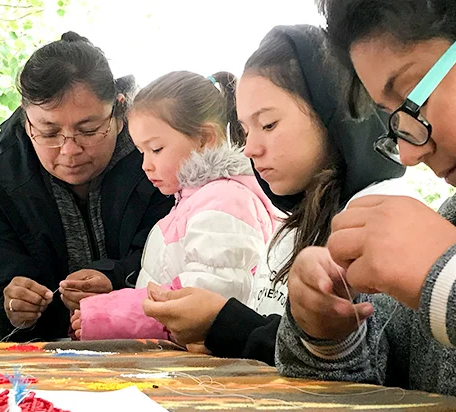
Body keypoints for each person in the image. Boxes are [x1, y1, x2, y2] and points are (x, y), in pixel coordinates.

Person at [276, 0, 456, 403]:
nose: (410, 154)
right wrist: (331, 334)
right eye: (394, 119)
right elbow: (377, 387)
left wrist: (451, 273)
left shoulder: (451, 252)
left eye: (415, 100)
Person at [140, 25, 408, 364]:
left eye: (268, 125)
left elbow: (361, 369)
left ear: (334, 114)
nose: (250, 148)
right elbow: (277, 335)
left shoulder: (378, 219)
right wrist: (214, 333)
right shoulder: (293, 226)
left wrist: (224, 323)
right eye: (246, 129)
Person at [0, 32, 173, 341]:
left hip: (156, 351)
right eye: (49, 133)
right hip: (46, 363)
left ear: (118, 113)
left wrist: (115, 279)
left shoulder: (161, 162)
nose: (69, 150)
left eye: (88, 130)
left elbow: (184, 266)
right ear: (26, 121)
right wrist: (12, 310)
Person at [70, 70, 282, 340]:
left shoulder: (225, 203)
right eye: (142, 152)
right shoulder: (192, 203)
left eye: (156, 149)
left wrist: (107, 316)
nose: (146, 165)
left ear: (205, 139)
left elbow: (204, 298)